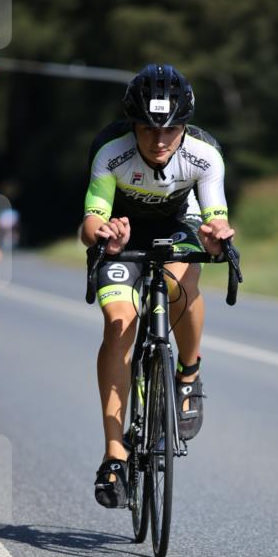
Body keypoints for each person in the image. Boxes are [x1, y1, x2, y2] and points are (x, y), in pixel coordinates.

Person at [80, 64, 235, 508]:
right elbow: (91, 219)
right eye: (148, 129)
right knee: (118, 323)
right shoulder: (111, 152)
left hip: (178, 225)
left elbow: (215, 214)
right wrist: (104, 235)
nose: (160, 139)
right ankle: (114, 453)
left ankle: (188, 374)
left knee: (183, 281)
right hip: (121, 234)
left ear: (185, 126)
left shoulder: (205, 155)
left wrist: (216, 234)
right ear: (133, 125)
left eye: (171, 129)